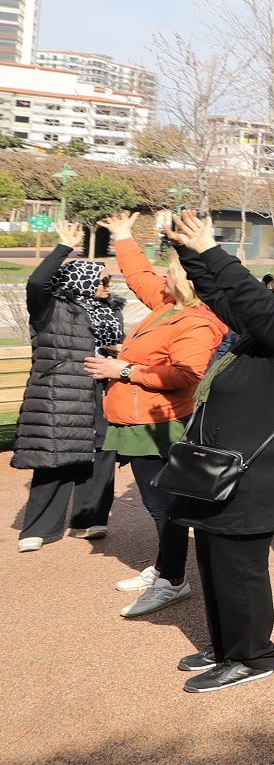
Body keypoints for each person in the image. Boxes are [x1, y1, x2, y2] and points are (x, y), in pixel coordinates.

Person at [161, 211, 274, 693]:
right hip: (220, 467)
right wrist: (188, 250)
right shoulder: (260, 339)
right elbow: (223, 298)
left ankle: (253, 656)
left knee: (239, 569)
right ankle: (226, 644)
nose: (269, 296)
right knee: (213, 559)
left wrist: (212, 249)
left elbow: (250, 302)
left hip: (252, 474)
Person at [87, 212, 227, 616]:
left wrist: (124, 369)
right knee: (161, 505)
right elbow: (139, 276)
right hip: (140, 420)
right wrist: (123, 236)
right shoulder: (170, 306)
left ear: (185, 280)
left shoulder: (197, 321)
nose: (162, 277)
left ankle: (173, 580)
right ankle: (167, 567)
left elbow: (186, 375)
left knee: (164, 507)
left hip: (158, 425)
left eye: (170, 272)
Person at [12, 221, 124, 553]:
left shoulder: (109, 312)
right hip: (60, 394)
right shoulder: (50, 307)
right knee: (55, 458)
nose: (108, 285)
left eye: (109, 280)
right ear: (82, 280)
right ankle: (39, 528)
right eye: (103, 280)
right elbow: (37, 282)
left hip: (101, 391)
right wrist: (63, 248)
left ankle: (88, 519)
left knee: (101, 453)